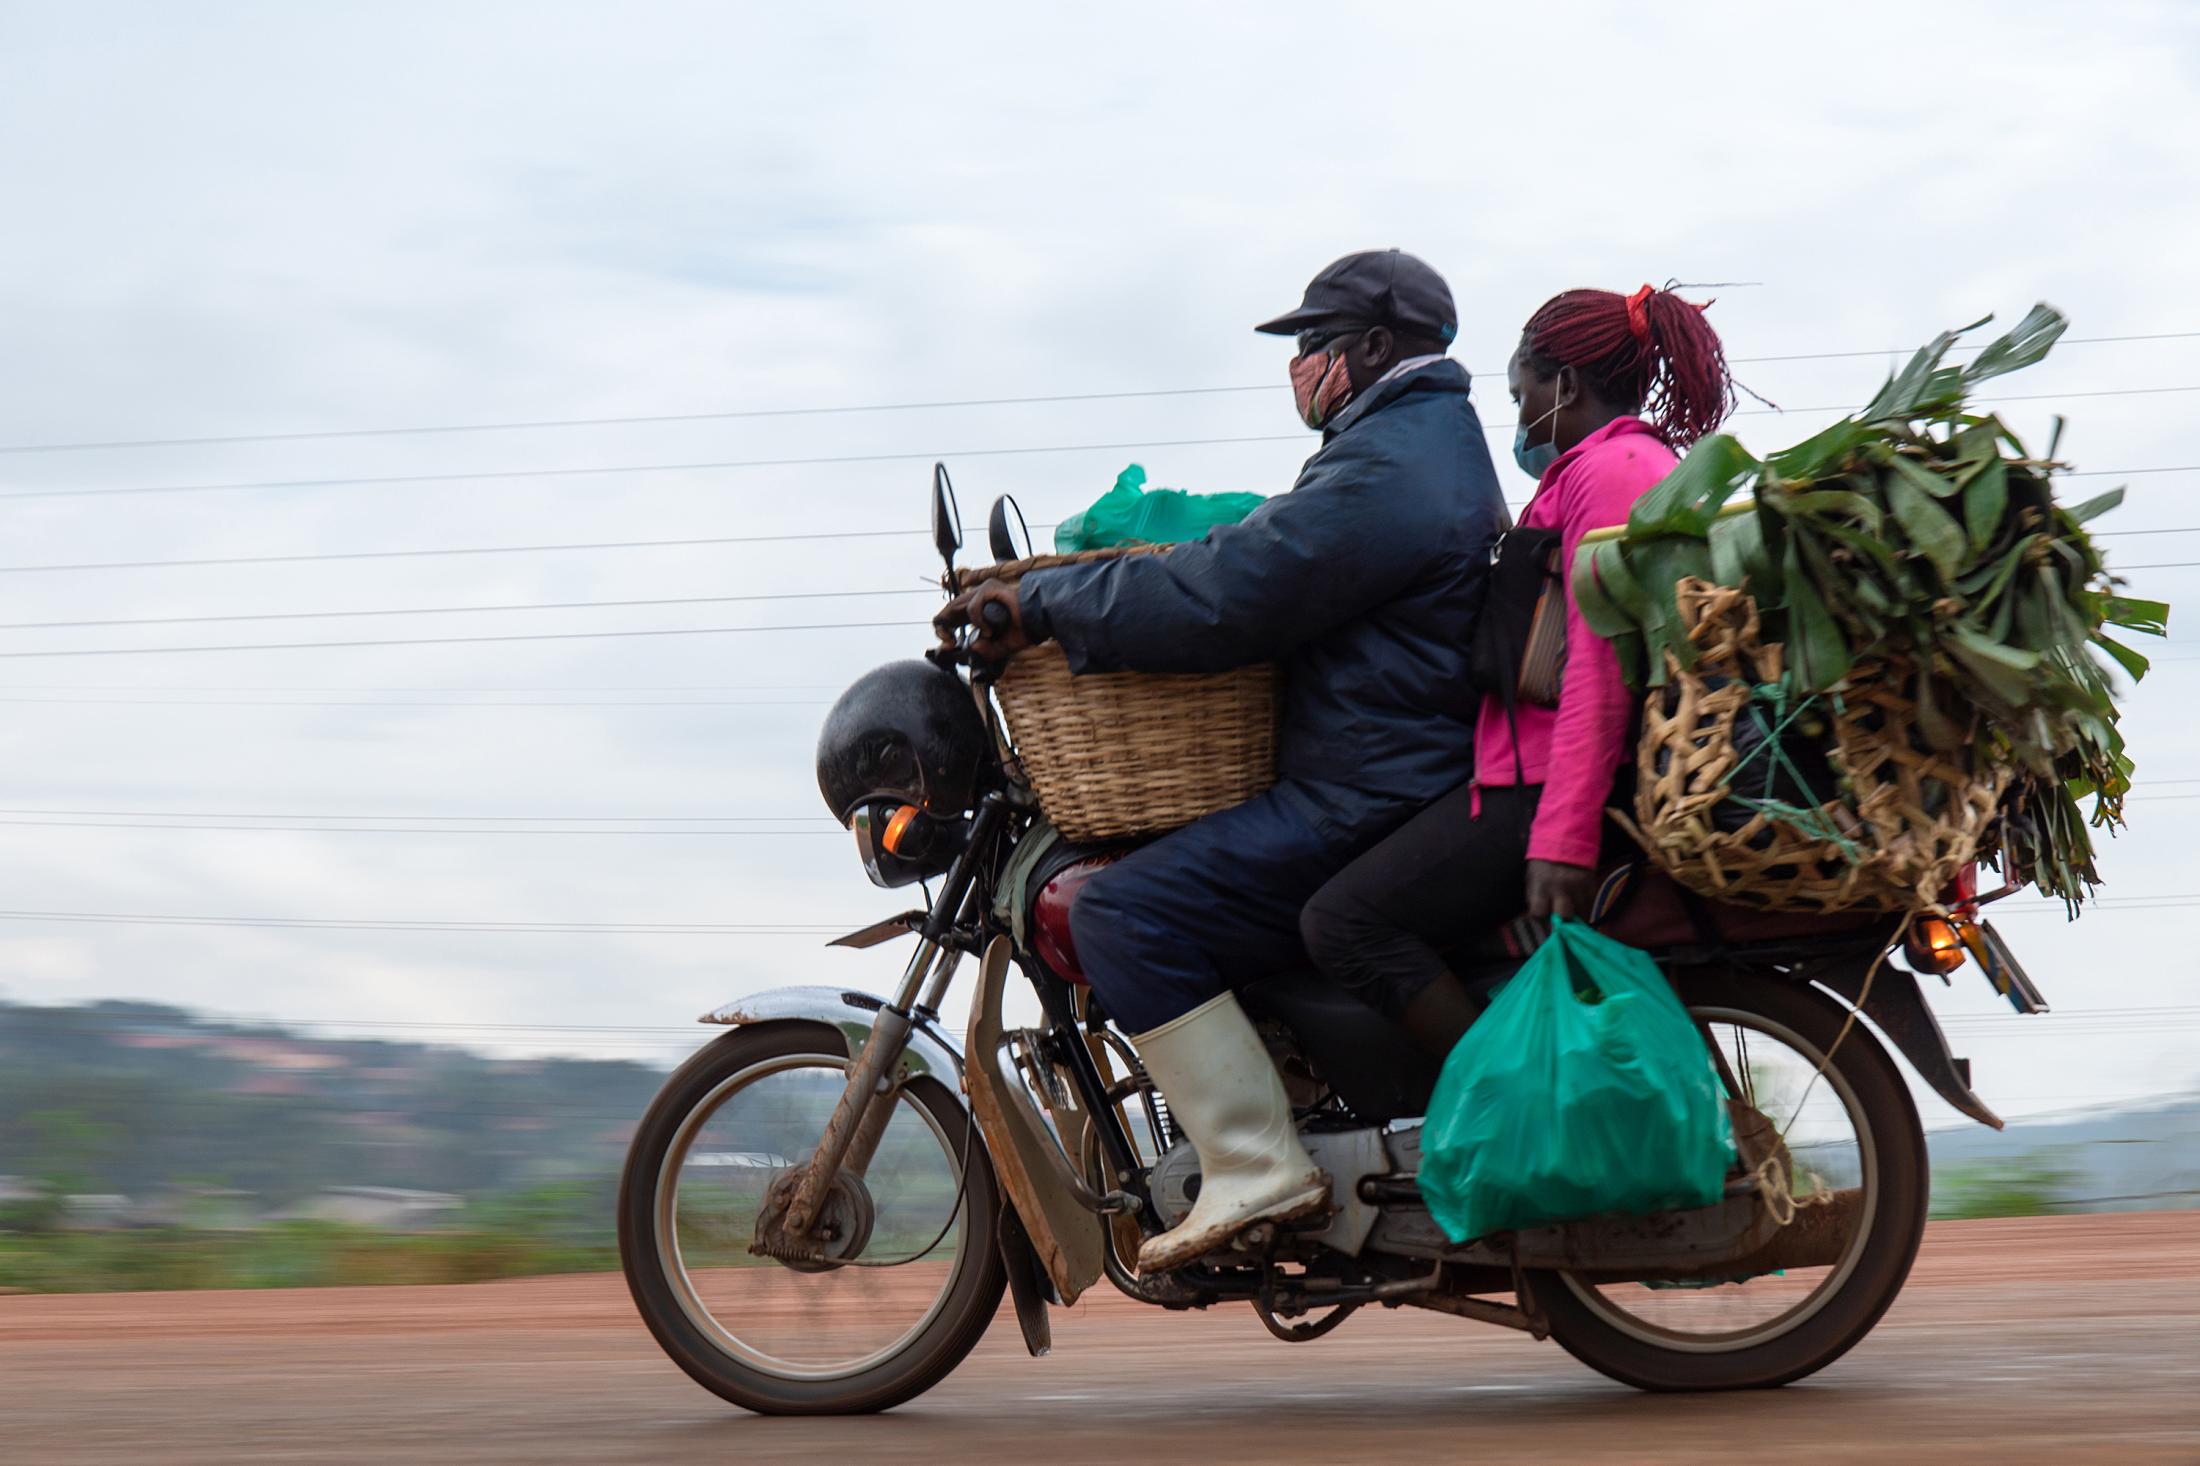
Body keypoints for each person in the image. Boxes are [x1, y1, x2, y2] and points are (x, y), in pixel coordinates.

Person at [936, 250, 1505, 1273]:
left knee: (1121, 908)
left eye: (1311, 347)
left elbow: (1232, 593)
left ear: (1371, 349)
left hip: (1370, 789)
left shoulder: (1389, 463)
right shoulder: (1407, 444)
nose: (1299, 368)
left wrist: (1048, 602)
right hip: (1386, 767)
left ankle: (1252, 1165)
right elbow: (1260, 553)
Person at [1298, 284, 1736, 1057]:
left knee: (1343, 923)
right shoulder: (1598, 470)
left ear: (1562, 384)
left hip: (1541, 791)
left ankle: (1503, 1106)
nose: (1519, 414)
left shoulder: (1614, 473)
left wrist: (1561, 836)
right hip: (1521, 777)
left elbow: (1601, 673)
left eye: (1519, 392)